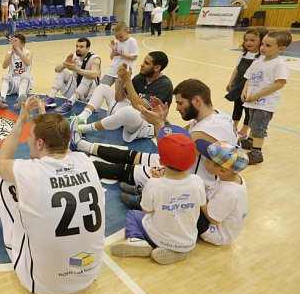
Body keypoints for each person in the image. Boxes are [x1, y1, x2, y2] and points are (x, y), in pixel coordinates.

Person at [0, 95, 105, 294]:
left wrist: (22, 120)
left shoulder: (29, 172)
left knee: (1, 179)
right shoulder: (84, 161)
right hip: (89, 273)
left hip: (42, 282)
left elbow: (2, 161)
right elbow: (57, 143)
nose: (28, 141)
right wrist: (44, 117)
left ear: (39, 144)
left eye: (30, 138)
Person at [76, 79, 237, 208]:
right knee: (131, 155)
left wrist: (158, 123)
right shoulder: (218, 116)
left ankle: (77, 166)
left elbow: (169, 155)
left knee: (124, 169)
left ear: (197, 100)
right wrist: (162, 119)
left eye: (180, 103)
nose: (177, 108)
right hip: (184, 168)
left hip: (187, 182)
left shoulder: (205, 131)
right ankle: (83, 145)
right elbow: (178, 138)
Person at [110, 125, 205, 265]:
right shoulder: (198, 182)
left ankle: (138, 241)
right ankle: (179, 250)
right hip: (188, 240)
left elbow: (147, 210)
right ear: (192, 161)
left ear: (160, 161)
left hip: (159, 237)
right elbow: (200, 203)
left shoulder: (155, 184)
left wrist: (154, 180)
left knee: (133, 215)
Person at [72, 51, 173, 142]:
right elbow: (118, 98)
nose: (141, 65)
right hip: (131, 118)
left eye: (146, 63)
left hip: (146, 125)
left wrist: (128, 80)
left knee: (128, 111)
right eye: (143, 62)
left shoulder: (164, 84)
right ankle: (82, 118)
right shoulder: (140, 78)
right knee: (103, 87)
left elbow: (139, 107)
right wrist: (121, 80)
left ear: (157, 68)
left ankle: (83, 129)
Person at [240, 31, 292, 165]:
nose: (262, 47)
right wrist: (245, 90)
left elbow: (280, 83)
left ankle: (256, 153)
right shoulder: (258, 62)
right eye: (262, 44)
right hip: (252, 101)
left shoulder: (279, 64)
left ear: (281, 48)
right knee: (252, 122)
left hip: (265, 103)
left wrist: (258, 94)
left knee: (258, 127)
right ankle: (250, 141)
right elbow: (249, 78)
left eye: (268, 45)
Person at [195, 140, 249, 246]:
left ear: (223, 171)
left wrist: (199, 196)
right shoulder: (232, 179)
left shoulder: (229, 192)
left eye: (207, 161)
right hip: (222, 224)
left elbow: (213, 219)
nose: (203, 161)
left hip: (216, 233)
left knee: (185, 203)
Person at [225, 27, 267, 140]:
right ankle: (233, 127)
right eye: (246, 40)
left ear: (262, 41)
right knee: (237, 107)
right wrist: (230, 82)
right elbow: (237, 69)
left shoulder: (262, 57)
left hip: (252, 88)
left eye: (252, 40)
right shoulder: (243, 54)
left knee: (249, 111)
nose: (248, 42)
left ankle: (244, 131)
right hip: (239, 85)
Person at [44, 37, 101, 115]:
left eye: (81, 47)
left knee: (88, 77)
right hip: (76, 91)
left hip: (89, 94)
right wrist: (65, 63)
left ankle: (70, 103)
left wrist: (77, 69)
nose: (78, 48)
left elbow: (95, 74)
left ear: (88, 48)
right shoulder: (75, 57)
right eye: (77, 46)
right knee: (62, 71)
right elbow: (56, 69)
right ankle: (51, 98)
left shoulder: (95, 59)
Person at [0, 33, 32, 109]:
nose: (14, 44)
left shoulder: (28, 53)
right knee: (5, 76)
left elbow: (27, 63)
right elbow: (4, 66)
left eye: (16, 42)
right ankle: (2, 99)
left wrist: (18, 51)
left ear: (22, 44)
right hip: (14, 81)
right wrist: (11, 54)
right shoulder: (9, 53)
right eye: (13, 42)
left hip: (25, 82)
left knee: (25, 75)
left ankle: (20, 100)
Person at [100, 22, 138, 86]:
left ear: (127, 32)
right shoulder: (116, 42)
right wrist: (113, 50)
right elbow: (111, 58)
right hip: (112, 69)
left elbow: (134, 57)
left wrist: (121, 54)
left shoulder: (132, 41)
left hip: (124, 71)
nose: (118, 39)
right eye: (116, 37)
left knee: (119, 92)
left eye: (121, 36)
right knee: (101, 86)